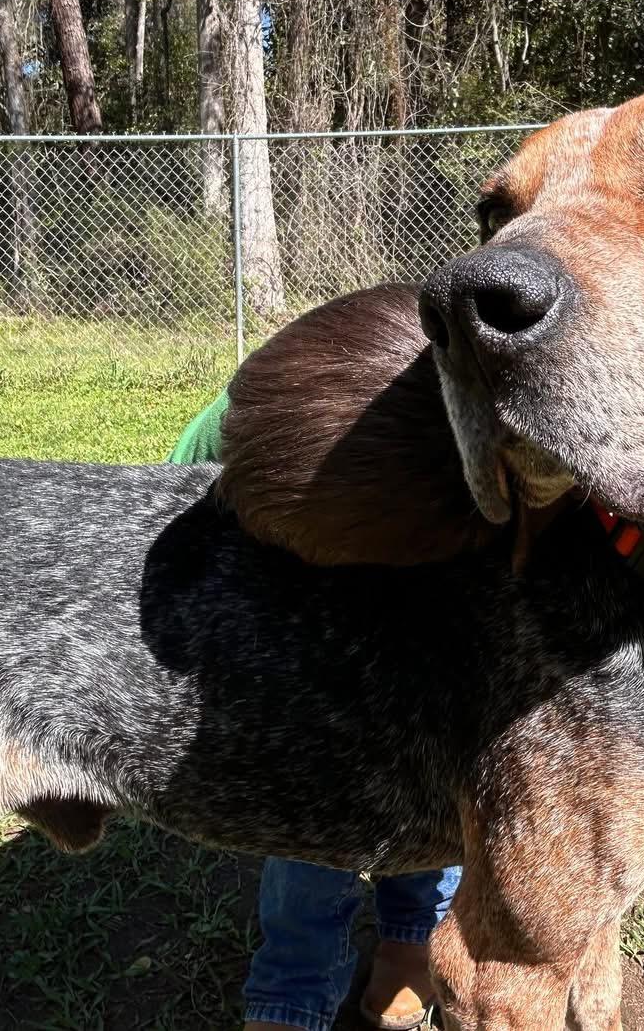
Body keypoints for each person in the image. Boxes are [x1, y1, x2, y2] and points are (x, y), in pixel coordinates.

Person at [169, 389, 461, 1031]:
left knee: (444, 790)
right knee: (310, 812)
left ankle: (409, 942)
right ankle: (292, 988)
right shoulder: (247, 419)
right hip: (299, 635)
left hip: (442, 627)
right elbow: (170, 513)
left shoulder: (471, 414)